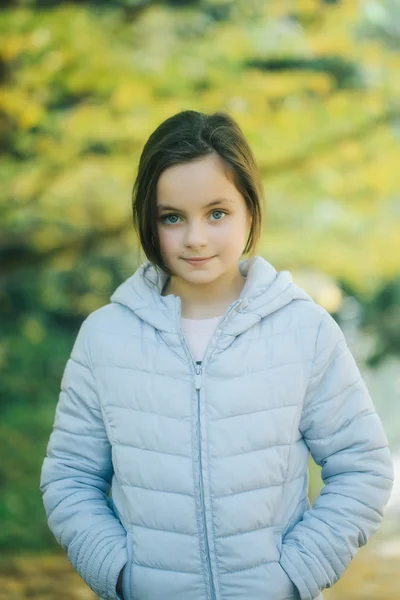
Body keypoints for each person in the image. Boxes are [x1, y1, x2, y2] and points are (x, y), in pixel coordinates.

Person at [40, 110, 394, 600]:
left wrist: (293, 577)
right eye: (172, 217)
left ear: (250, 209)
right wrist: (121, 575)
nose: (196, 238)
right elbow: (70, 477)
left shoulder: (304, 330)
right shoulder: (105, 337)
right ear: (149, 220)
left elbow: (362, 468)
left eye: (217, 213)